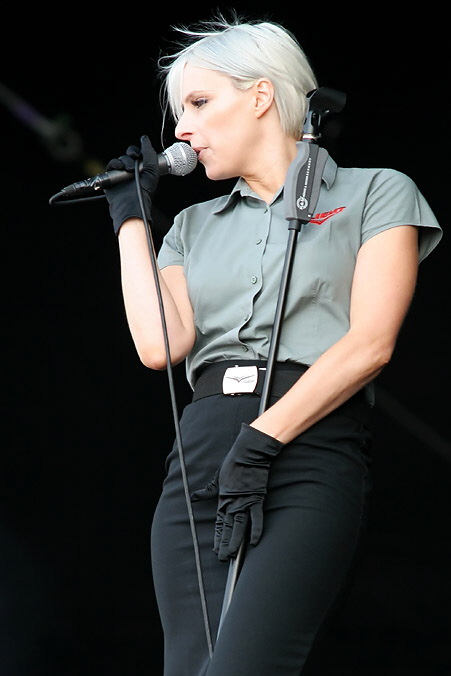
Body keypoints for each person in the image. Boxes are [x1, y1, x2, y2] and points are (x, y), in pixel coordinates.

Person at [103, 15, 442, 676]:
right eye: (180, 112)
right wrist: (131, 222)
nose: (181, 129)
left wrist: (262, 440)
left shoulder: (376, 191)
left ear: (261, 96)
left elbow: (370, 344)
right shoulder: (192, 225)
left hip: (306, 448)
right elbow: (159, 346)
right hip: (201, 458)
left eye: (199, 103)